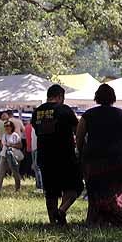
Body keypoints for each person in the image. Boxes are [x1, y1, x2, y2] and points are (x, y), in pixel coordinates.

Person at [75, 84, 122, 227]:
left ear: (97, 98)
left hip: (95, 159)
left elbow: (79, 136)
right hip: (119, 157)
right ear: (113, 98)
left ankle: (97, 219)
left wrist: (80, 151)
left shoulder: (88, 115)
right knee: (120, 189)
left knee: (96, 189)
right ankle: (120, 220)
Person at [31, 85, 82, 225]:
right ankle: (62, 210)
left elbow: (37, 130)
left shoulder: (37, 112)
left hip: (45, 156)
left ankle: (53, 222)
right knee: (75, 186)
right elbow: (77, 130)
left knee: (51, 191)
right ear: (59, 96)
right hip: (65, 155)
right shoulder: (64, 109)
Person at [0, 119, 24, 192]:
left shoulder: (15, 135)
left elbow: (20, 146)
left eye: (8, 126)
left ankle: (18, 188)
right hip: (4, 155)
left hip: (12, 156)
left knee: (15, 172)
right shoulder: (4, 135)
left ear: (12, 127)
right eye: (5, 126)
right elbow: (2, 145)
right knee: (0, 173)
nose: (7, 128)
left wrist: (11, 145)